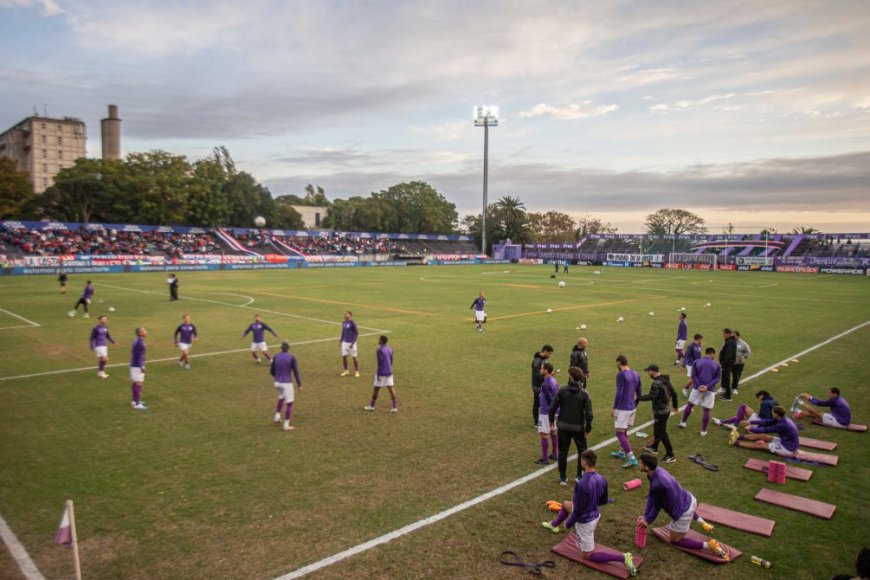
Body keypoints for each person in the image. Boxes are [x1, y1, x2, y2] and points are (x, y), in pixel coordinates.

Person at [541, 450, 636, 576]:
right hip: (594, 512)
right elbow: (602, 500)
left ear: (584, 462)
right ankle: (553, 525)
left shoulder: (581, 484)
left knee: (588, 555)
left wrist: (568, 523)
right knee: (566, 504)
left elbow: (579, 511)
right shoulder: (602, 478)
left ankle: (623, 558)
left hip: (586, 522)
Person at [635, 453, 728, 560]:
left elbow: (657, 505)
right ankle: (702, 522)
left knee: (675, 540)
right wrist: (645, 516)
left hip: (684, 511)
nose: (639, 464)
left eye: (640, 463)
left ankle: (710, 545)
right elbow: (652, 496)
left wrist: (648, 520)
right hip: (689, 499)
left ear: (647, 467)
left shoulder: (658, 484)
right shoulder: (658, 471)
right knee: (686, 508)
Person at [549, 367, 593, 483]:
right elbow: (589, 413)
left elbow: (553, 407)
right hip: (578, 427)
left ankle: (563, 477)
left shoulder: (562, 390)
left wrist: (550, 421)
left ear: (571, 377)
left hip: (563, 426)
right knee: (582, 451)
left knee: (563, 451)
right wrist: (588, 428)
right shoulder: (584, 393)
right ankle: (580, 476)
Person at [637, 364, 679, 463]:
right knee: (657, 429)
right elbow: (674, 394)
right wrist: (675, 406)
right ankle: (654, 447)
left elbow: (652, 396)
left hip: (660, 412)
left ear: (652, 371)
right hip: (665, 410)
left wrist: (638, 397)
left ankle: (671, 455)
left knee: (662, 433)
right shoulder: (666, 380)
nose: (648, 373)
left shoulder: (656, 383)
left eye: (649, 371)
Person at [679, 347, 721, 436]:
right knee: (706, 410)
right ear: (712, 354)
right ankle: (703, 431)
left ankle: (683, 422)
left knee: (690, 405)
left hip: (696, 389)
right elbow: (717, 378)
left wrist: (699, 385)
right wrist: (707, 386)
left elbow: (694, 375)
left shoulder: (696, 362)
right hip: (709, 390)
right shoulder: (717, 365)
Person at [729, 406, 799, 457]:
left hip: (788, 449)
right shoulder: (782, 418)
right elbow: (766, 422)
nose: (772, 414)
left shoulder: (783, 424)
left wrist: (750, 429)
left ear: (777, 414)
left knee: (760, 445)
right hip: (785, 442)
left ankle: (735, 442)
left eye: (773, 413)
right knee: (762, 436)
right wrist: (750, 422)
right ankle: (738, 436)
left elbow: (766, 429)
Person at [610, 355, 642, 468]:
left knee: (619, 432)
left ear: (619, 363)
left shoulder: (621, 375)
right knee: (624, 430)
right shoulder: (635, 373)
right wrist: (634, 405)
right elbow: (639, 392)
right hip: (631, 407)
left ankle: (632, 458)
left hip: (623, 408)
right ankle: (622, 452)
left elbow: (619, 393)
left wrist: (614, 407)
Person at [271, 340, 302, 431]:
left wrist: (276, 377)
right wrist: (299, 385)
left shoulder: (276, 356)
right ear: (288, 348)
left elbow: (272, 371)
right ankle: (286, 425)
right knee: (290, 403)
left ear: (281, 347)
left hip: (277, 382)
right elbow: (296, 372)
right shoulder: (292, 357)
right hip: (286, 383)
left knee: (281, 397)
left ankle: (277, 417)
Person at [364, 335, 397, 413]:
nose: (378, 341)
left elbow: (380, 363)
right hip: (389, 371)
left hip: (381, 373)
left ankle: (372, 406)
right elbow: (391, 360)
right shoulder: (390, 349)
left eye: (379, 340)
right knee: (391, 389)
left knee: (376, 389)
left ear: (382, 341)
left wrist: (378, 374)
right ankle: (395, 407)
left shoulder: (379, 350)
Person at [535, 362, 560, 465]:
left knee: (543, 434)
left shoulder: (545, 384)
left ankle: (545, 459)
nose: (540, 370)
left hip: (546, 412)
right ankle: (555, 454)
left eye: (542, 368)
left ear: (546, 370)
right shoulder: (554, 380)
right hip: (555, 411)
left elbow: (549, 399)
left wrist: (550, 410)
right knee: (553, 432)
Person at [531, 345, 554, 427]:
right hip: (537, 386)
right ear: (545, 352)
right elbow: (536, 375)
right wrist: (547, 376)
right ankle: (536, 422)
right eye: (549, 353)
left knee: (546, 402)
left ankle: (545, 418)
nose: (550, 355)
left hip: (544, 385)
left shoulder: (545, 360)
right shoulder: (537, 361)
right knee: (537, 403)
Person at [90, 315, 116, 379]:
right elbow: (92, 337)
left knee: (102, 359)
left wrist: (113, 341)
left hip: (104, 345)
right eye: (103, 319)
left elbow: (108, 336)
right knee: (105, 359)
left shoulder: (105, 327)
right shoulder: (96, 328)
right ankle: (101, 372)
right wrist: (91, 345)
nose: (104, 320)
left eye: (105, 319)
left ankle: (100, 372)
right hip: (98, 345)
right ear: (99, 320)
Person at [130, 327, 148, 411]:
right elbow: (138, 356)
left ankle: (134, 401)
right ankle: (137, 404)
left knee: (135, 383)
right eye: (144, 330)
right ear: (140, 333)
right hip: (137, 365)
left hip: (134, 364)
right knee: (139, 384)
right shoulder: (139, 343)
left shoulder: (137, 340)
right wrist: (141, 366)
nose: (146, 331)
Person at [718, 328, 737, 401]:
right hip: (727, 364)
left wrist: (723, 364)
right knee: (725, 379)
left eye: (724, 334)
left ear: (728, 333)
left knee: (727, 379)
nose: (723, 335)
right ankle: (726, 393)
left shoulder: (730, 342)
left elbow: (728, 355)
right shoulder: (729, 341)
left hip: (727, 365)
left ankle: (728, 396)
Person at [339, 310, 360, 376]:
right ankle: (346, 370)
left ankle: (357, 371)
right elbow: (343, 332)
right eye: (344, 314)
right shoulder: (344, 322)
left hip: (351, 343)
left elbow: (356, 333)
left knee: (354, 357)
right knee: (344, 356)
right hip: (344, 342)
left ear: (350, 315)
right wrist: (341, 341)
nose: (345, 315)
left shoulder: (352, 323)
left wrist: (352, 343)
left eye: (346, 314)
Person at [732, 330, 751, 395]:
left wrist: (743, 357)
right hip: (729, 362)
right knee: (725, 375)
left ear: (738, 336)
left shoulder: (743, 344)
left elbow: (748, 352)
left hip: (738, 363)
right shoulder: (728, 342)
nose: (732, 337)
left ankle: (734, 388)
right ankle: (724, 387)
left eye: (734, 336)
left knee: (736, 376)